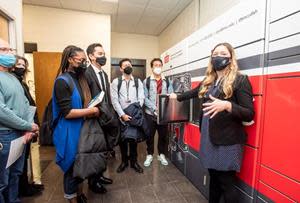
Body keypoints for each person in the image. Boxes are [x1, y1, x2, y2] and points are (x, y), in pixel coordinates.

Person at [170, 42, 254, 203]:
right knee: (214, 178)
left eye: (223, 54)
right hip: (209, 138)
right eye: (215, 54)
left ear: (230, 58)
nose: (218, 57)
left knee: (227, 183)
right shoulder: (210, 80)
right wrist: (177, 97)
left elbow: (249, 113)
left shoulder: (240, 80)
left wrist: (227, 105)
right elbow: (194, 92)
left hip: (228, 141)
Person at [52, 45, 99, 203]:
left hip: (80, 128)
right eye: (81, 61)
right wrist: (91, 111)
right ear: (70, 59)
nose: (84, 64)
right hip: (68, 130)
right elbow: (68, 112)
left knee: (80, 164)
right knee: (71, 166)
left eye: (85, 61)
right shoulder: (62, 81)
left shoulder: (80, 79)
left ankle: (79, 194)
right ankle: (71, 198)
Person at [0, 38, 39, 203]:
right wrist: (27, 125)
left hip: (19, 134)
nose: (10, 54)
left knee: (16, 174)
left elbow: (25, 104)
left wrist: (28, 128)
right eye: (4, 50)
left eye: (10, 50)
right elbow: (2, 111)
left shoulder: (12, 78)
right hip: (5, 135)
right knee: (3, 180)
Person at [10, 55, 44, 197]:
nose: (21, 67)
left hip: (29, 126)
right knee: (17, 163)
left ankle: (24, 187)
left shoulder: (22, 83)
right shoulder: (12, 83)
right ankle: (21, 190)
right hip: (19, 127)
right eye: (18, 64)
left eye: (24, 65)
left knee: (23, 161)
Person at [84, 43, 115, 194]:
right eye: (100, 54)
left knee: (102, 149)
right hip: (93, 116)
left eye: (103, 53)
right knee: (94, 149)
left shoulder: (104, 74)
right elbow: (86, 97)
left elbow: (106, 96)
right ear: (91, 56)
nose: (103, 56)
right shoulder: (86, 73)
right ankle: (92, 181)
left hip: (105, 116)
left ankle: (99, 175)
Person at [110, 58, 145, 173]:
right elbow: (114, 101)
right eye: (125, 65)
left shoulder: (137, 82)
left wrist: (135, 111)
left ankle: (134, 162)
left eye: (129, 65)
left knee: (133, 139)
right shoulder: (116, 82)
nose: (128, 66)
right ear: (121, 69)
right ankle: (124, 162)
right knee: (123, 140)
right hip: (122, 116)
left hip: (134, 115)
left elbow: (141, 97)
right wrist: (122, 115)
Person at [143, 58, 173, 167]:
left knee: (163, 135)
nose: (158, 67)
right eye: (156, 65)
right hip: (150, 114)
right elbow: (144, 98)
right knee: (149, 135)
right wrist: (155, 108)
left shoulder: (167, 81)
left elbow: (170, 96)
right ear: (152, 67)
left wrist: (162, 108)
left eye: (160, 65)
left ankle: (161, 154)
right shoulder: (146, 81)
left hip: (164, 114)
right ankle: (149, 154)